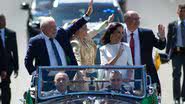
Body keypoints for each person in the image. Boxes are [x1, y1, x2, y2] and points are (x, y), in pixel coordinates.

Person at [24, 0, 93, 81]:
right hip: (47, 79)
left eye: (55, 26)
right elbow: (28, 61)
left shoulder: (61, 33)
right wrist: (35, 74)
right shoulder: (36, 42)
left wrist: (87, 15)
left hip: (67, 78)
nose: (55, 30)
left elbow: (75, 26)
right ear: (43, 29)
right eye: (51, 28)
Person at [122, 10, 166, 95]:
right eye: (135, 19)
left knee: (148, 98)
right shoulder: (120, 34)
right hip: (126, 75)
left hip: (144, 73)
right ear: (126, 20)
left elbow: (161, 46)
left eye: (138, 19)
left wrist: (162, 37)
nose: (138, 21)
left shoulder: (147, 33)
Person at [70, 14, 114, 91]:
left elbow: (95, 30)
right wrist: (80, 72)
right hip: (81, 78)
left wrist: (107, 22)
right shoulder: (74, 42)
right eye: (84, 28)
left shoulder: (85, 37)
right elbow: (77, 59)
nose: (87, 30)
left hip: (92, 76)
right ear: (77, 29)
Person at [166, 4, 185, 104]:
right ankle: (176, 98)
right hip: (177, 53)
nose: (182, 13)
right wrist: (166, 55)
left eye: (184, 11)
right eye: (180, 11)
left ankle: (184, 97)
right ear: (177, 12)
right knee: (176, 76)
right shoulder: (172, 25)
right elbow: (169, 41)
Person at [0, 14, 19, 104]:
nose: (2, 22)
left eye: (3, 20)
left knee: (5, 85)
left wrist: (16, 67)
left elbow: (14, 51)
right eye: (0, 20)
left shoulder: (11, 33)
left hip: (7, 65)